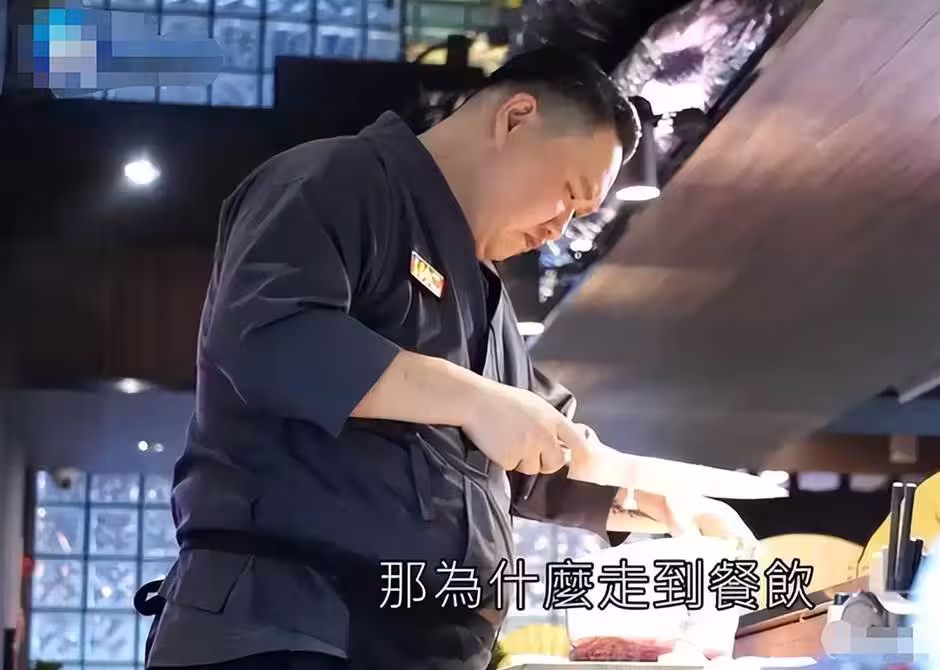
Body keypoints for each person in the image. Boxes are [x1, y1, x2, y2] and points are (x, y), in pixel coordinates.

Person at [136, 45, 757, 670]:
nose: (561, 228)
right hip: (289, 628)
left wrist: (656, 500)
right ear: (516, 118)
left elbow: (536, 453)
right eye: (569, 194)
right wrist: (473, 399)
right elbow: (269, 336)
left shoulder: (483, 294)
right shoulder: (337, 180)